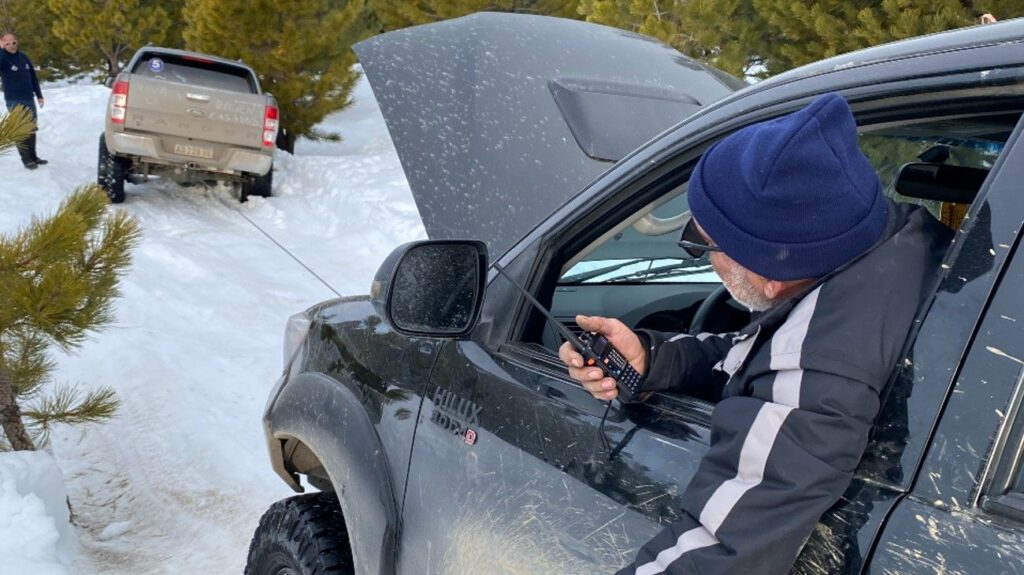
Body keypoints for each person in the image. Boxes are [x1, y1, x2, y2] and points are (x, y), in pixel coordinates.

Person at [558, 93, 952, 574]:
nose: (700, 256)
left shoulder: (823, 363)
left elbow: (724, 551)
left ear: (770, 275)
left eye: (702, 243)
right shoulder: (894, 236)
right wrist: (651, 357)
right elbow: (759, 353)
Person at [0, 32, 47, 169]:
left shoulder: (23, 57)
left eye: (13, 42)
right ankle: (26, 159)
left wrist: (39, 95)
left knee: (31, 128)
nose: (11, 46)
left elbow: (33, 77)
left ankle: (33, 156)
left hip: (28, 98)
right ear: (3, 44)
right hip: (14, 99)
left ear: (17, 42)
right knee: (21, 129)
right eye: (7, 43)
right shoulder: (3, 58)